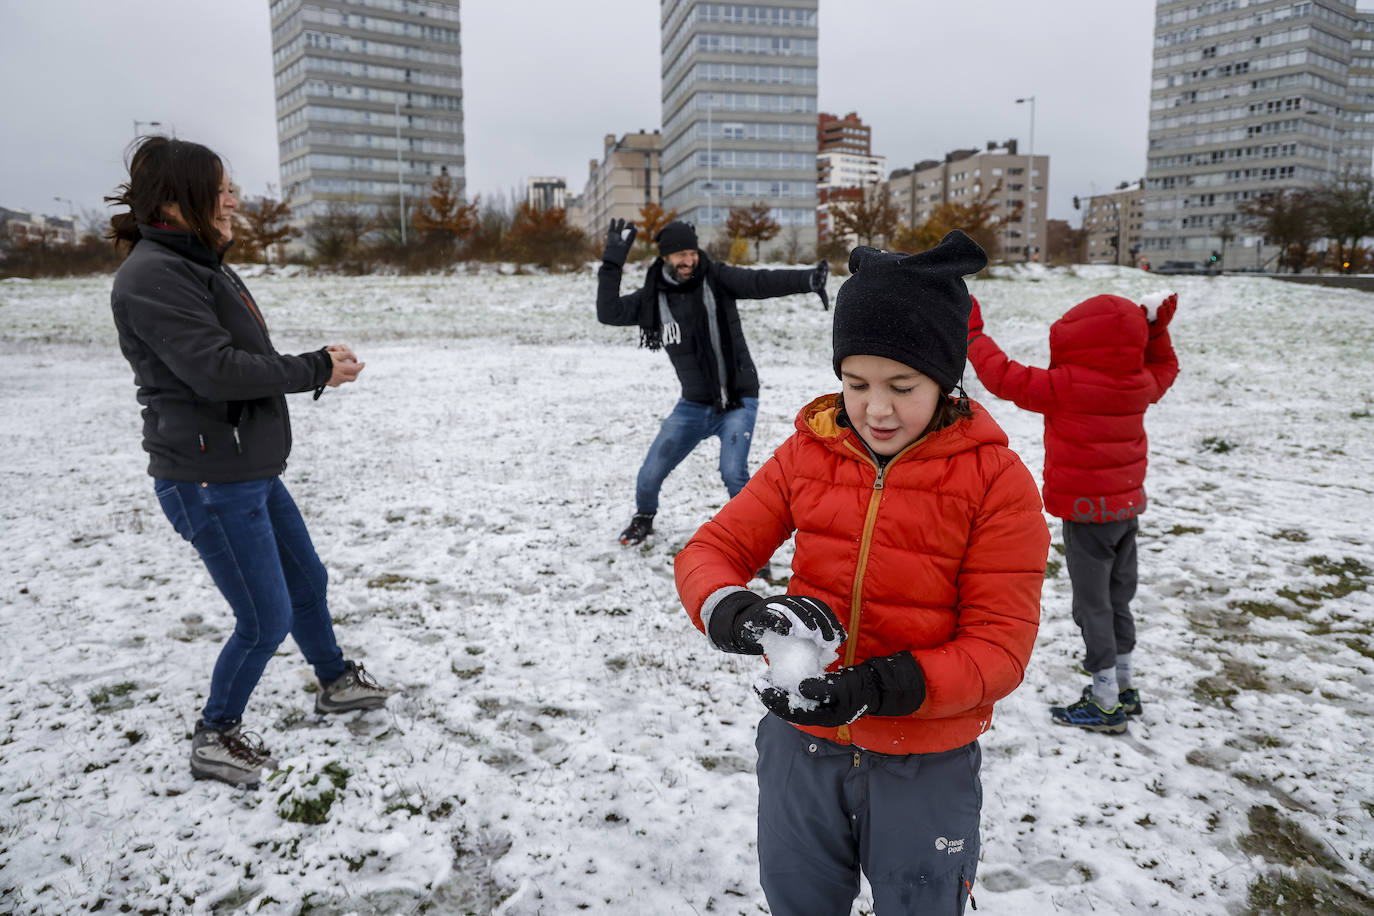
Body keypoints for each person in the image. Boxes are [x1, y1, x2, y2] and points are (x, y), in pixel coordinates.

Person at [675, 231, 1049, 915]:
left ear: (945, 378)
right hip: (801, 750)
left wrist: (884, 685)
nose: (876, 408)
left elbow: (1001, 646)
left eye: (901, 386)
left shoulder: (997, 482)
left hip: (924, 762)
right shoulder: (809, 454)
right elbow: (709, 551)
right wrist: (738, 613)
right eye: (856, 383)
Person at [108, 136, 393, 788]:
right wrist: (317, 367)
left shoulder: (199, 264)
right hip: (206, 479)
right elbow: (216, 371)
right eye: (220, 188)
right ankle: (216, 732)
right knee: (264, 619)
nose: (233, 198)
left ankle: (333, 679)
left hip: (244, 466)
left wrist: (313, 365)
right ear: (178, 203)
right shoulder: (152, 276)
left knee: (307, 582)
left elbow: (229, 359)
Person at [967, 290, 1179, 733]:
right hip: (1125, 510)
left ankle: (1104, 704)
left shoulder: (1066, 385)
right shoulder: (1138, 382)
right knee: (1119, 601)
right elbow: (1166, 368)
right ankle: (1123, 686)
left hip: (1086, 518)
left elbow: (1003, 376)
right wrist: (1156, 332)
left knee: (1093, 607)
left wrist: (972, 332)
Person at [596, 218, 830, 550]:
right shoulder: (652, 297)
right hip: (692, 404)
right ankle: (644, 518)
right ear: (664, 259)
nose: (688, 260)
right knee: (649, 473)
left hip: (737, 400)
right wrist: (612, 262)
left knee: (733, 473)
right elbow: (609, 312)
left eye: (692, 252)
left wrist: (808, 279)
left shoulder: (717, 278)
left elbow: (759, 282)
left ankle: (756, 541)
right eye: (679, 255)